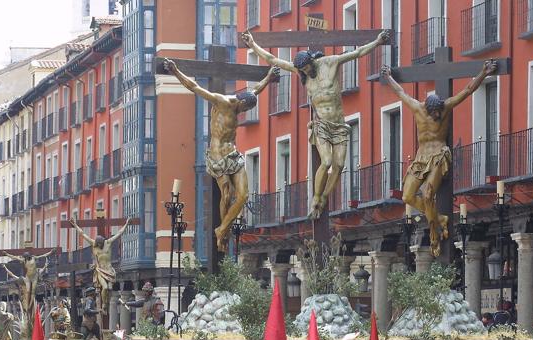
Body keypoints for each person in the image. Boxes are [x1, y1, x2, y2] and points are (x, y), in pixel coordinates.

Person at [242, 30, 390, 220]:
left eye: (306, 68)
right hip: (321, 125)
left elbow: (358, 53)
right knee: (326, 161)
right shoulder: (302, 73)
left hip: (339, 125)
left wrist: (377, 42)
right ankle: (316, 197)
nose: (305, 72)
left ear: (312, 61)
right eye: (302, 71)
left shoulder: (330, 63)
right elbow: (273, 59)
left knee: (338, 165)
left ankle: (323, 198)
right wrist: (253, 45)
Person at [380, 60, 498, 256]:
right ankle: (439, 218)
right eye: (434, 113)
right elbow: (401, 93)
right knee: (407, 196)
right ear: (427, 109)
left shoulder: (446, 107)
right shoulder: (417, 108)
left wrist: (484, 73)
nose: (437, 116)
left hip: (438, 155)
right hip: (421, 157)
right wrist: (388, 77)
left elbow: (467, 90)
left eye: (438, 113)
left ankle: (434, 235)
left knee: (427, 195)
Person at [162, 58, 279, 252]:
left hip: (232, 154)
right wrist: (175, 71)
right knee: (226, 194)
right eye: (244, 109)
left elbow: (257, 88)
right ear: (240, 101)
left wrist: (268, 77)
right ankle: (222, 236)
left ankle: (222, 230)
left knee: (242, 196)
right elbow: (195, 87)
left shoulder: (246, 98)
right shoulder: (221, 101)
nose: (243, 112)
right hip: (217, 155)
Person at [68, 217, 131, 314]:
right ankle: (104, 305)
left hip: (109, 270)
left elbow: (119, 234)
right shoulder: (94, 244)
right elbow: (83, 234)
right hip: (100, 271)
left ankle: (107, 303)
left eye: (99, 245)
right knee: (105, 287)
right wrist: (75, 225)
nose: (98, 247)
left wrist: (126, 224)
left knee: (110, 288)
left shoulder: (108, 242)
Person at [2, 249, 54, 323]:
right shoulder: (24, 261)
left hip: (34, 277)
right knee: (29, 292)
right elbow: (14, 258)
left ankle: (30, 306)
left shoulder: (33, 258)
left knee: (32, 292)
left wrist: (50, 253)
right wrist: (7, 254)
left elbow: (43, 255)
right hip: (29, 277)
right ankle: (29, 307)